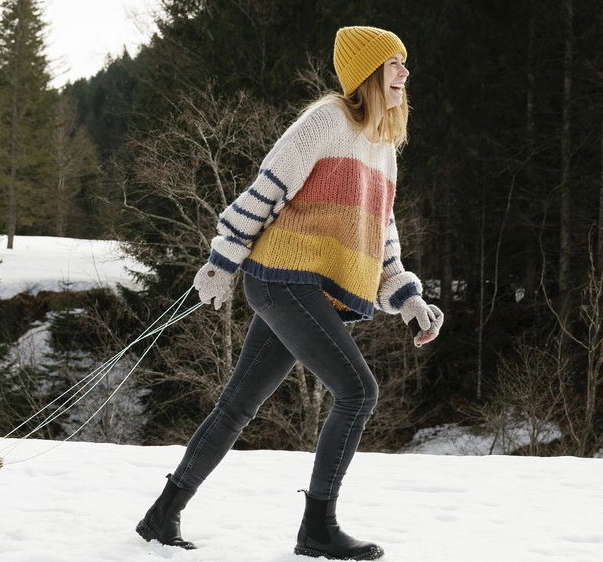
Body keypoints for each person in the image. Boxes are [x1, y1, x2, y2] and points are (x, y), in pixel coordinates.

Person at [134, 26, 443, 560]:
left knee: (237, 406)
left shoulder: (383, 148)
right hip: (281, 278)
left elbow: (381, 239)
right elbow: (266, 191)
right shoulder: (325, 122)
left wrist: (408, 298)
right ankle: (318, 528)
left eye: (405, 65)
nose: (404, 74)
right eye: (394, 63)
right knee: (358, 392)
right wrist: (219, 264)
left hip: (305, 289)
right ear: (368, 73)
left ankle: (162, 513)